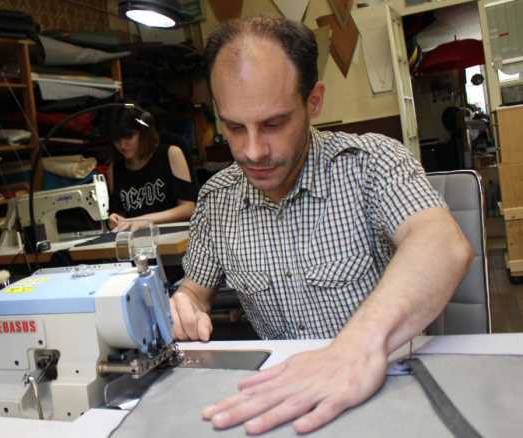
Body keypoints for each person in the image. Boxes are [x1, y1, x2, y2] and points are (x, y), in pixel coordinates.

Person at [169, 16, 473, 435]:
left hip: (390, 388)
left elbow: (442, 243)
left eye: (273, 124)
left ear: (313, 102)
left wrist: (354, 349)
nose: (252, 151)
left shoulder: (372, 163)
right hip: (288, 400)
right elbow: (194, 293)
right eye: (235, 128)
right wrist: (185, 306)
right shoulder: (217, 198)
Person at [106, 106, 196, 231]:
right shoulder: (114, 170)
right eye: (117, 140)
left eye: (129, 137)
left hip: (175, 237)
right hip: (136, 242)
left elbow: (188, 208)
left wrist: (144, 220)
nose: (122, 145)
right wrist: (114, 220)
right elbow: (120, 216)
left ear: (143, 133)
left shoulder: (171, 154)